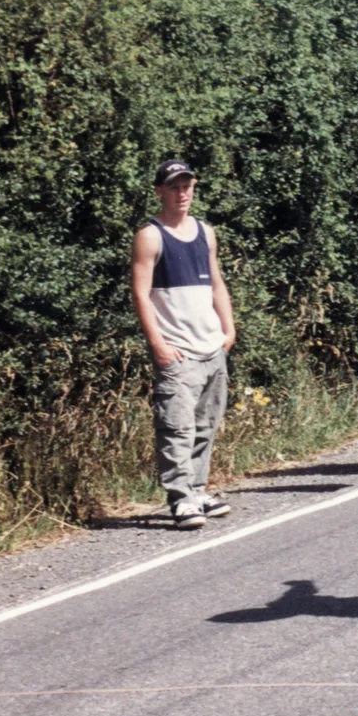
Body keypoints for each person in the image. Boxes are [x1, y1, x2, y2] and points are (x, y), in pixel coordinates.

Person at [131, 159, 237, 530]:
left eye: (187, 185)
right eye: (174, 187)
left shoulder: (205, 232)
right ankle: (180, 499)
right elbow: (141, 295)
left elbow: (217, 284)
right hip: (177, 351)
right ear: (160, 190)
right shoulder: (150, 235)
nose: (182, 193)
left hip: (211, 347)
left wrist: (229, 330)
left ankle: (196, 489)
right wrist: (158, 344)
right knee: (176, 427)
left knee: (205, 424)